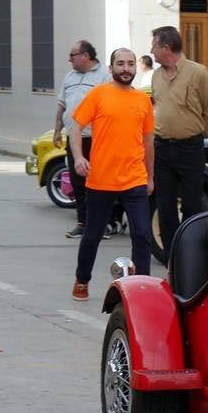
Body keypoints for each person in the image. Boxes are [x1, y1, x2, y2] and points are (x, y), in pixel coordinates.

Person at [69, 48, 155, 302]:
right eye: (120, 63)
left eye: (130, 63)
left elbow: (148, 142)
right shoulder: (98, 94)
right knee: (93, 235)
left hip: (135, 178)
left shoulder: (142, 100)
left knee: (142, 235)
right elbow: (75, 129)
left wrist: (150, 177)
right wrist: (78, 157)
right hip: (101, 179)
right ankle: (82, 280)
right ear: (110, 68)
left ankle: (143, 287)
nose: (126, 68)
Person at [149, 25, 208, 265]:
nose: (151, 51)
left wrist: (195, 135)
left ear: (166, 48)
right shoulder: (156, 76)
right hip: (162, 149)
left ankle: (190, 256)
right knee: (164, 207)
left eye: (154, 46)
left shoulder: (198, 73)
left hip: (190, 148)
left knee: (192, 206)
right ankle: (171, 257)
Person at [53, 40, 111, 239]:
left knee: (97, 183)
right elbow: (62, 106)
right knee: (78, 183)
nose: (69, 59)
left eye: (73, 55)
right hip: (74, 138)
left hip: (96, 138)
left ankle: (101, 224)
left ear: (85, 55)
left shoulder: (104, 75)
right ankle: (82, 222)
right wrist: (57, 130)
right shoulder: (69, 77)